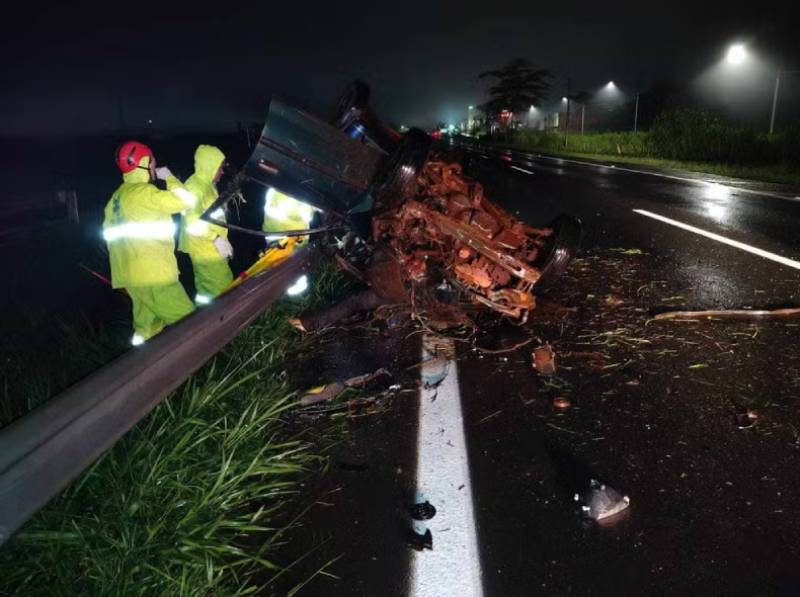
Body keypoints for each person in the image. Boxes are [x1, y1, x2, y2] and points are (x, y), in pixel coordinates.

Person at [103, 141, 197, 345]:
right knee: (192, 325)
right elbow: (186, 201)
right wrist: (170, 178)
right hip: (156, 276)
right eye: (152, 160)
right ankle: (207, 367)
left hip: (131, 280)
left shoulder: (115, 200)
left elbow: (110, 242)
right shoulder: (144, 193)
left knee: (146, 331)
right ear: (144, 163)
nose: (155, 165)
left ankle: (144, 371)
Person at [177, 145, 234, 304]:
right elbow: (191, 222)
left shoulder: (206, 184)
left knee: (208, 292)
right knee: (221, 292)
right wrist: (216, 238)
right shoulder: (195, 187)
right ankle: (222, 324)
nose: (222, 172)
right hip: (206, 251)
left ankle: (206, 321)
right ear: (210, 166)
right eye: (220, 168)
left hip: (210, 249)